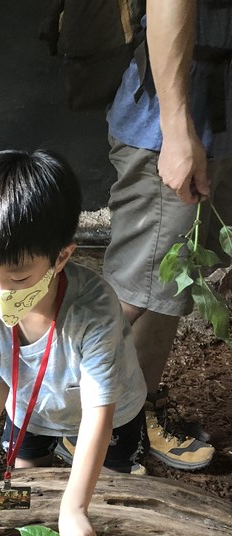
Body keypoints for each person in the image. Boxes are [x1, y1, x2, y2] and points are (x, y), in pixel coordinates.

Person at [0, 150, 147, 536]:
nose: (0, 294)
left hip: (110, 414)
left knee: (107, 496)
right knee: (28, 483)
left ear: (61, 257)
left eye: (18, 277)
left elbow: (99, 411)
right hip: (31, 409)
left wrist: (75, 506)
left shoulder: (94, 310)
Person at [102, 0, 232, 470]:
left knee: (168, 283)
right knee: (132, 291)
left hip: (214, 121)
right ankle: (65, 423)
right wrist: (175, 133)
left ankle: (136, 411)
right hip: (173, 129)